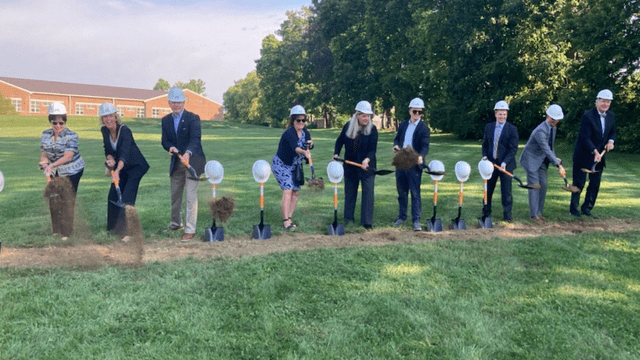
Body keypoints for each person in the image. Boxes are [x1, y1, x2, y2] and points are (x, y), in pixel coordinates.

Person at [161, 87, 206, 241]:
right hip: (177, 162)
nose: (176, 105)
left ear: (183, 102)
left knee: (191, 196)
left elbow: (195, 139)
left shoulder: (193, 118)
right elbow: (165, 140)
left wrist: (187, 153)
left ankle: (190, 229)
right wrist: (170, 147)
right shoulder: (165, 120)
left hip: (193, 160)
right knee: (175, 194)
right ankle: (175, 223)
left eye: (179, 102)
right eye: (173, 102)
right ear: (169, 103)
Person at [100, 103, 150, 240]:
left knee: (127, 195)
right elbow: (108, 151)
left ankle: (128, 231)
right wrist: (109, 160)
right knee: (113, 195)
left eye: (110, 115)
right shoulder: (104, 131)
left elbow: (124, 154)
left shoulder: (125, 130)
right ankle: (112, 228)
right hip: (122, 166)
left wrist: (116, 171)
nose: (108, 119)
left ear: (116, 116)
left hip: (135, 166)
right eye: (105, 116)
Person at [39, 102, 85, 240]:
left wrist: (52, 166)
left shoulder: (71, 135)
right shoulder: (45, 134)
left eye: (61, 122)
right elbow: (44, 152)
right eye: (55, 123)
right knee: (53, 197)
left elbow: (68, 155)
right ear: (50, 120)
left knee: (67, 199)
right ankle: (56, 230)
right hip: (55, 170)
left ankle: (66, 233)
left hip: (73, 170)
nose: (58, 126)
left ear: (65, 119)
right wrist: (44, 162)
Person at [570, 89, 616, 218]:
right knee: (579, 183)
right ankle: (574, 210)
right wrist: (595, 151)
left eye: (608, 102)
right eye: (603, 101)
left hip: (600, 157)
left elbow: (612, 132)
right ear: (597, 102)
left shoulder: (611, 116)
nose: (605, 104)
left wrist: (611, 142)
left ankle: (587, 209)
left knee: (594, 184)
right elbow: (585, 138)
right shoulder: (588, 116)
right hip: (584, 155)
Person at [333, 101, 378, 229]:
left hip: (366, 166)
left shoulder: (372, 129)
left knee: (368, 193)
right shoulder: (348, 126)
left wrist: (367, 160)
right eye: (363, 115)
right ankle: (348, 219)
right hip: (350, 166)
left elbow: (372, 149)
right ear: (357, 115)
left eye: (368, 116)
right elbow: (339, 141)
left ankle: (367, 222)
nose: (366, 118)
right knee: (350, 192)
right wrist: (336, 153)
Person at [519, 104, 566, 223]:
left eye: (557, 120)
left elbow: (551, 147)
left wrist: (557, 161)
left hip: (541, 161)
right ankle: (534, 216)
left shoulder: (553, 128)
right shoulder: (540, 131)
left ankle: (539, 212)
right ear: (548, 116)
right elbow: (546, 149)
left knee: (543, 185)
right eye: (553, 119)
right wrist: (558, 165)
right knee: (535, 186)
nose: (555, 121)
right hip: (531, 160)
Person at [271, 105, 313, 231]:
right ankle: (286, 221)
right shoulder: (289, 133)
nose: (301, 123)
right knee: (288, 189)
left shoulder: (305, 132)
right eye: (298, 120)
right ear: (292, 121)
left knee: (295, 191)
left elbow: (308, 144)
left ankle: (289, 217)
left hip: (295, 166)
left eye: (303, 120)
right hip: (282, 164)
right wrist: (305, 152)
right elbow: (296, 148)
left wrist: (311, 146)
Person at [392, 97, 430, 231]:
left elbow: (425, 146)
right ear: (410, 111)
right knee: (401, 192)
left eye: (420, 112)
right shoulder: (403, 125)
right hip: (401, 162)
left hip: (414, 164)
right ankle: (402, 217)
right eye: (415, 111)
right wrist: (396, 146)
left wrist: (421, 156)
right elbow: (397, 139)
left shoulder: (424, 128)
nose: (417, 114)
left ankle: (416, 221)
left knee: (415, 193)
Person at [481, 100, 519, 222]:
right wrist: (485, 157)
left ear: (506, 114)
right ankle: (486, 213)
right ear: (495, 114)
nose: (502, 116)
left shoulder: (512, 129)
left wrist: (504, 163)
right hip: (491, 164)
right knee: (488, 189)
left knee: (506, 191)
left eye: (504, 114)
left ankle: (507, 216)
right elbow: (485, 145)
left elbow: (513, 149)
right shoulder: (489, 127)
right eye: (500, 114)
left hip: (506, 165)